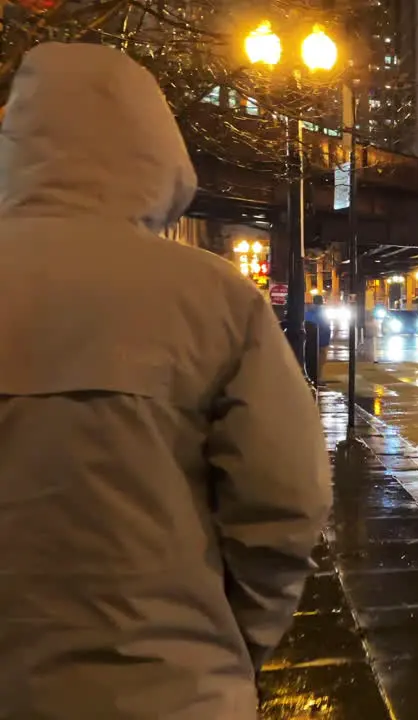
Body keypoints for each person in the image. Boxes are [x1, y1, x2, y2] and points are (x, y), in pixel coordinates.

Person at [0, 44, 332, 718]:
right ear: (157, 155)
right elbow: (286, 505)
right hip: (173, 689)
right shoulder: (213, 298)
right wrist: (229, 645)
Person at [304, 294, 333, 383]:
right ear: (322, 301)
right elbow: (326, 326)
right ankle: (318, 377)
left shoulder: (308, 312)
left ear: (313, 301)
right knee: (321, 359)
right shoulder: (324, 312)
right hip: (323, 340)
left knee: (310, 359)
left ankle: (310, 375)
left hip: (310, 341)